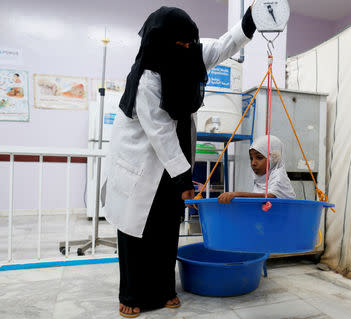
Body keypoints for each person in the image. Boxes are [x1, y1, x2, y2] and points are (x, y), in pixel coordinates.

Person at [101, 5, 256, 318]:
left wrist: (251, 21)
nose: (187, 48)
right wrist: (184, 178)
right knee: (137, 232)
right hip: (141, 163)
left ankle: (165, 289)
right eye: (180, 44)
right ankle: (131, 293)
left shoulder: (191, 56)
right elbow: (160, 135)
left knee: (168, 226)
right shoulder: (146, 80)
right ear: (160, 43)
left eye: (190, 42)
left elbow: (226, 44)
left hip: (172, 165)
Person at [218, 135, 296, 203]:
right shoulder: (261, 180)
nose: (253, 163)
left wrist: (237, 194)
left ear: (273, 158)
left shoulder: (278, 175)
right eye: (251, 158)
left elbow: (269, 197)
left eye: (259, 158)